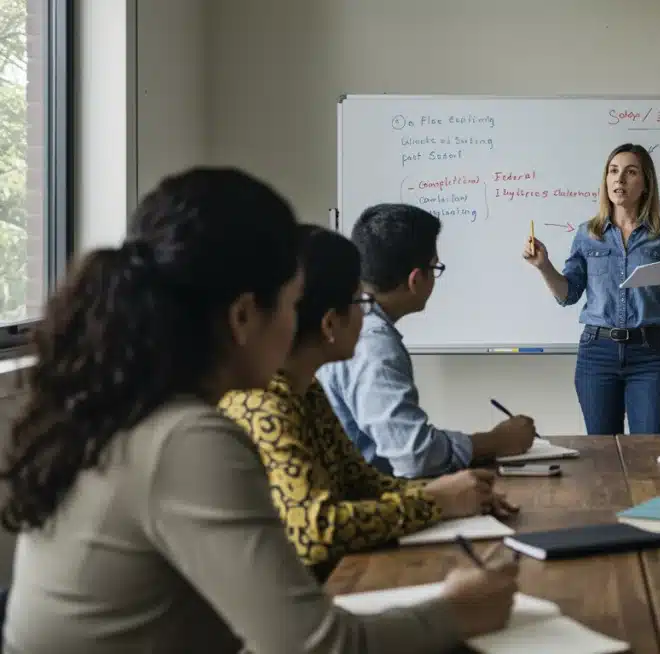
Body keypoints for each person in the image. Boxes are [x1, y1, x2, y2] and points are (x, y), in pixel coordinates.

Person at [0, 168, 518, 654]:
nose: (303, 327)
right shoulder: (186, 437)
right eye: (294, 306)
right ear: (244, 316)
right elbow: (316, 645)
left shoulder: (136, 408)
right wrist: (456, 609)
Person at [219, 225, 518, 582]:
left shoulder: (307, 390)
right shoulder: (262, 403)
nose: (369, 316)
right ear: (330, 324)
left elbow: (362, 483)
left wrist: (463, 491)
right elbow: (316, 530)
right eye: (361, 302)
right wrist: (436, 502)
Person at [317, 204, 536, 478]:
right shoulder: (374, 345)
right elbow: (414, 456)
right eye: (435, 267)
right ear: (416, 279)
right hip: (368, 498)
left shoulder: (353, 322)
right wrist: (496, 441)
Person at [523, 143, 660, 435]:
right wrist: (543, 266)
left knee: (650, 449)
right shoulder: (587, 234)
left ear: (645, 183)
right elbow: (569, 295)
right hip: (597, 353)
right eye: (613, 172)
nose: (619, 180)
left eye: (630, 172)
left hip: (650, 353)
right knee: (602, 455)